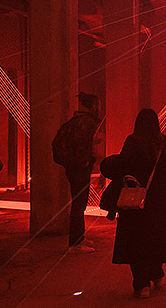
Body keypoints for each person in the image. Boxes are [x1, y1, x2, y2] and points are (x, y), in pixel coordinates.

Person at [112, 109, 166, 298]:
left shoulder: (133, 141)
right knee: (157, 235)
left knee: (136, 239)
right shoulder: (165, 141)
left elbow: (123, 164)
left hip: (137, 197)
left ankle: (141, 284)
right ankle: (157, 273)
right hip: (159, 196)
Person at [61, 92, 102, 252]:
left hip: (73, 167)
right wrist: (85, 161)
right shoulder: (86, 122)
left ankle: (80, 238)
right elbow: (80, 144)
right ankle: (75, 243)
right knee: (79, 204)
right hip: (79, 168)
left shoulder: (76, 120)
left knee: (79, 203)